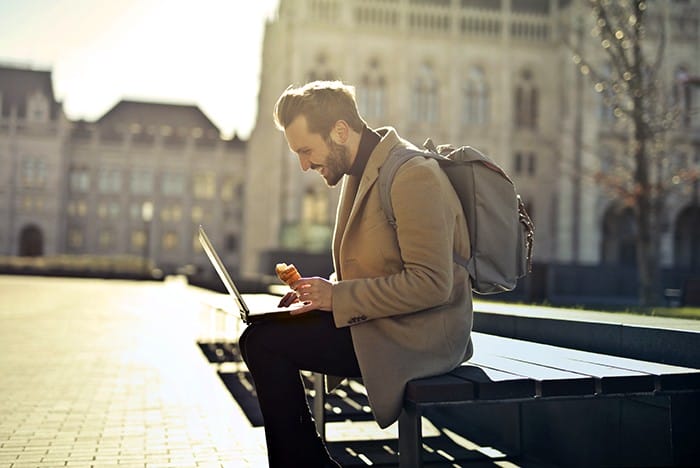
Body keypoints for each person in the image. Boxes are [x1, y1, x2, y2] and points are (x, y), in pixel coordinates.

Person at [238, 80, 474, 467]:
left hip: (422, 336)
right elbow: (378, 265)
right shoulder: (362, 173)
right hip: (387, 323)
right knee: (259, 337)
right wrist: (321, 292)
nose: (304, 164)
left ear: (340, 132)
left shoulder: (413, 174)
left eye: (306, 150)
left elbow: (432, 283)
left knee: (264, 343)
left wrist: (337, 298)